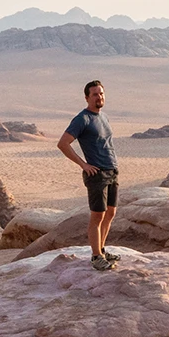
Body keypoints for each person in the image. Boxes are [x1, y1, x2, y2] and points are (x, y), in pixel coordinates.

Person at [57, 79, 120, 270]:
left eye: (101, 93)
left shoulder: (103, 117)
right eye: (95, 94)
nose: (99, 97)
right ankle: (95, 257)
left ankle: (101, 249)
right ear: (87, 97)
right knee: (97, 216)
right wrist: (83, 165)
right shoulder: (82, 119)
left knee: (110, 213)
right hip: (97, 174)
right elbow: (63, 143)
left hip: (112, 170)